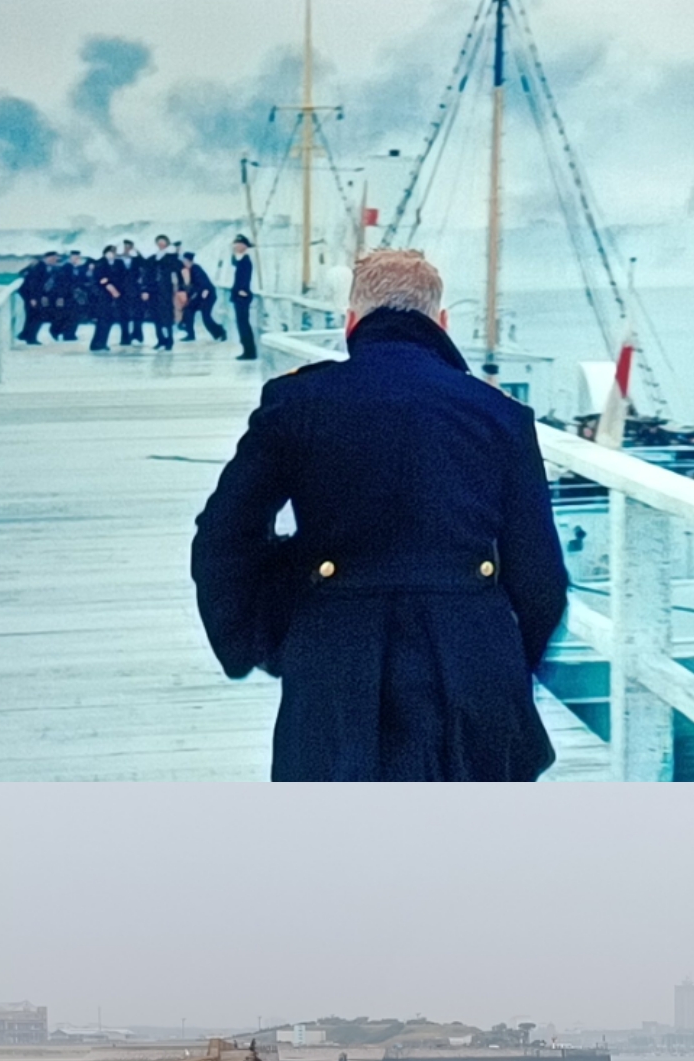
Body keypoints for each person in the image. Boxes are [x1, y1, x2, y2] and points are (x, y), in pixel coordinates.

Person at [192, 249, 569, 783]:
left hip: (333, 652)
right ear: (442, 322)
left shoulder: (297, 401)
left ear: (351, 321)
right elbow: (540, 574)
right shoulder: (502, 415)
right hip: (471, 653)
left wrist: (254, 640)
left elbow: (223, 537)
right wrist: (506, 660)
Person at [180, 252, 228, 342]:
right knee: (188, 311)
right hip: (198, 296)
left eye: (185, 261)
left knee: (206, 317)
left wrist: (205, 291)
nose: (184, 262)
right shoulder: (187, 270)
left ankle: (221, 333)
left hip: (207, 296)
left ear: (189, 261)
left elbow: (204, 283)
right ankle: (190, 334)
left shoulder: (196, 269)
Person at [147, 235, 182, 351]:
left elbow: (179, 269)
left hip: (166, 290)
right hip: (154, 291)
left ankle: (169, 340)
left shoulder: (171, 257)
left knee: (166, 315)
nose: (161, 244)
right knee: (156, 316)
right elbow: (147, 272)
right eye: (159, 242)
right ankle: (160, 340)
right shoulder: (153, 258)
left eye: (163, 242)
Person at [17, 251, 58, 344]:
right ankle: (31, 338)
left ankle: (25, 334)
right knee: (36, 316)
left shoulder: (41, 266)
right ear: (49, 258)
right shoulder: (40, 267)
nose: (55, 261)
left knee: (31, 316)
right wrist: (33, 298)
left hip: (33, 295)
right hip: (32, 295)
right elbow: (33, 283)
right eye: (54, 259)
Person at [89, 246, 122, 353]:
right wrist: (112, 289)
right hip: (102, 296)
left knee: (108, 320)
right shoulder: (100, 263)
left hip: (111, 297)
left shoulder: (115, 263)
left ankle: (102, 342)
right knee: (103, 320)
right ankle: (97, 344)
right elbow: (101, 279)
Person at [230, 235, 257, 361]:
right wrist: (232, 252)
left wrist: (243, 290)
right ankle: (247, 350)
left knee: (243, 324)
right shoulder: (242, 259)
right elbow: (234, 263)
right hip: (239, 296)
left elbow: (245, 277)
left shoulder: (246, 260)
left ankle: (249, 351)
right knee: (242, 324)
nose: (236, 246)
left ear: (244, 246)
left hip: (242, 296)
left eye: (238, 244)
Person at [120, 241, 146, 344]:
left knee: (138, 313)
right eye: (125, 247)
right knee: (123, 314)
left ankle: (137, 334)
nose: (127, 249)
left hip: (136, 290)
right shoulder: (118, 259)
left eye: (129, 247)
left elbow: (145, 263)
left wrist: (137, 252)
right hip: (121, 291)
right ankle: (125, 337)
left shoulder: (136, 259)